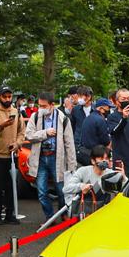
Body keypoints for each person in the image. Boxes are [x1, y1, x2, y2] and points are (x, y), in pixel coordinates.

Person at [25, 92, 77, 221]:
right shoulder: (35, 117)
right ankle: (49, 217)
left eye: (44, 106)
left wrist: (72, 165)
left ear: (52, 105)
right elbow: (28, 135)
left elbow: (69, 143)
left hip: (57, 158)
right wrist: (45, 133)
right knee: (42, 191)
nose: (41, 108)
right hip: (41, 158)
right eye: (39, 105)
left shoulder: (63, 119)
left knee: (61, 190)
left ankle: (62, 213)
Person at [0, 86, 26, 225]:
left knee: (11, 185)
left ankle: (10, 214)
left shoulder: (16, 111)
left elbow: (22, 131)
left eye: (10, 96)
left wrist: (18, 144)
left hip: (12, 155)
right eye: (5, 96)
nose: (8, 99)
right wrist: (2, 125)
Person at [63, 145, 127, 211]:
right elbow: (66, 189)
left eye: (107, 158)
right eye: (101, 159)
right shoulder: (83, 171)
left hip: (103, 210)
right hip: (85, 210)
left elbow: (126, 190)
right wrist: (81, 186)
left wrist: (123, 177)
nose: (105, 161)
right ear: (93, 161)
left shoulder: (111, 174)